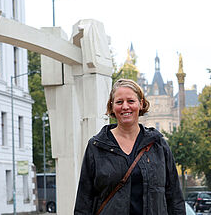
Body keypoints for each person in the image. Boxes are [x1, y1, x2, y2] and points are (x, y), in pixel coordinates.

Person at [74, 79, 185, 215]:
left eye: (131, 101)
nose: (125, 106)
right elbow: (84, 201)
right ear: (112, 106)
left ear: (141, 104)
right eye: (119, 102)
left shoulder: (158, 145)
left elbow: (174, 198)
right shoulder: (97, 146)